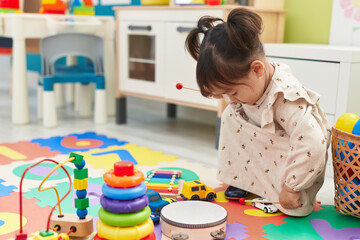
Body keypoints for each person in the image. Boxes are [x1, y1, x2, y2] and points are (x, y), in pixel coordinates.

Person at [185, 8, 331, 216]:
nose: (230, 99)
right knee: (230, 116)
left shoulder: (286, 99)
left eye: (233, 92)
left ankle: (285, 188)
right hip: (263, 147)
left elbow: (314, 145)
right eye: (224, 94)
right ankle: (244, 180)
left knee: (303, 147)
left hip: (296, 168)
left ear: (257, 69)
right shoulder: (253, 84)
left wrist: (291, 188)